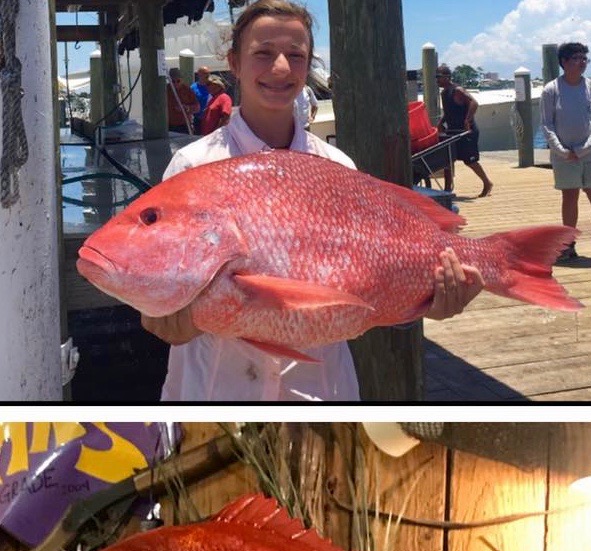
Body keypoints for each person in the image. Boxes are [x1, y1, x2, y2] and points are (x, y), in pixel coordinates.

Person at [141, 0, 484, 402]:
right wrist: (184, 318)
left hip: (320, 396)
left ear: (308, 66)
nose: (281, 68)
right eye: (263, 53)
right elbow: (159, 318)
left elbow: (369, 289)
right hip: (215, 394)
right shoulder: (192, 164)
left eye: (296, 56)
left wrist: (427, 305)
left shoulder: (335, 164)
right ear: (233, 62)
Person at [540, 41, 591, 262]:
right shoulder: (551, 89)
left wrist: (585, 148)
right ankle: (568, 244)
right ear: (564, 62)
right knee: (570, 197)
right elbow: (546, 124)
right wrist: (562, 151)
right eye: (576, 58)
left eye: (584, 58)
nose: (582, 62)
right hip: (564, 155)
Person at [436, 64, 493, 197]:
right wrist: (440, 122)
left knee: (470, 161)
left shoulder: (458, 90)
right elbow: (449, 111)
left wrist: (467, 120)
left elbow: (474, 103)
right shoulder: (444, 93)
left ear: (447, 77)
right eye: (436, 77)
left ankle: (487, 182)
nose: (437, 80)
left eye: (439, 77)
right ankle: (447, 189)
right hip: (453, 131)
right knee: (447, 159)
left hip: (467, 130)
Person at [166, 67, 200, 134]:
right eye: (173, 81)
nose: (175, 83)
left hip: (184, 125)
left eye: (178, 81)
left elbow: (197, 107)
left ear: (181, 80)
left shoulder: (187, 90)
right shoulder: (166, 89)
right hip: (170, 126)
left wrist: (186, 108)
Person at [191, 66, 212, 131]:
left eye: (208, 73)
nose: (207, 75)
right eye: (205, 73)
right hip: (198, 119)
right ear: (199, 74)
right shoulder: (193, 88)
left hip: (210, 118)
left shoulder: (212, 86)